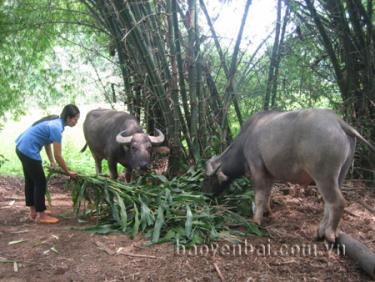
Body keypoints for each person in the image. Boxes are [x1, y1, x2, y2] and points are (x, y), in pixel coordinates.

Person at [15, 104, 80, 224]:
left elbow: (46, 143)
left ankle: (33, 211)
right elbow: (58, 155)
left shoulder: (56, 121)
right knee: (40, 182)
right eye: (76, 119)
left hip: (21, 147)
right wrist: (68, 172)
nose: (76, 122)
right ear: (69, 118)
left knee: (30, 180)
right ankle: (41, 215)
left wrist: (52, 161)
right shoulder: (57, 128)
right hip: (28, 150)